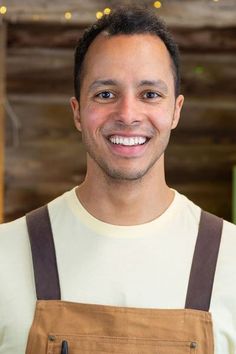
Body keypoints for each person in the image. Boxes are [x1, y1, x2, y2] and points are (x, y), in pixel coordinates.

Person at [0, 6, 236, 354]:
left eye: (150, 94)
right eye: (106, 94)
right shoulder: (6, 254)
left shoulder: (231, 258)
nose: (127, 114)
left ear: (176, 110)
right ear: (78, 111)